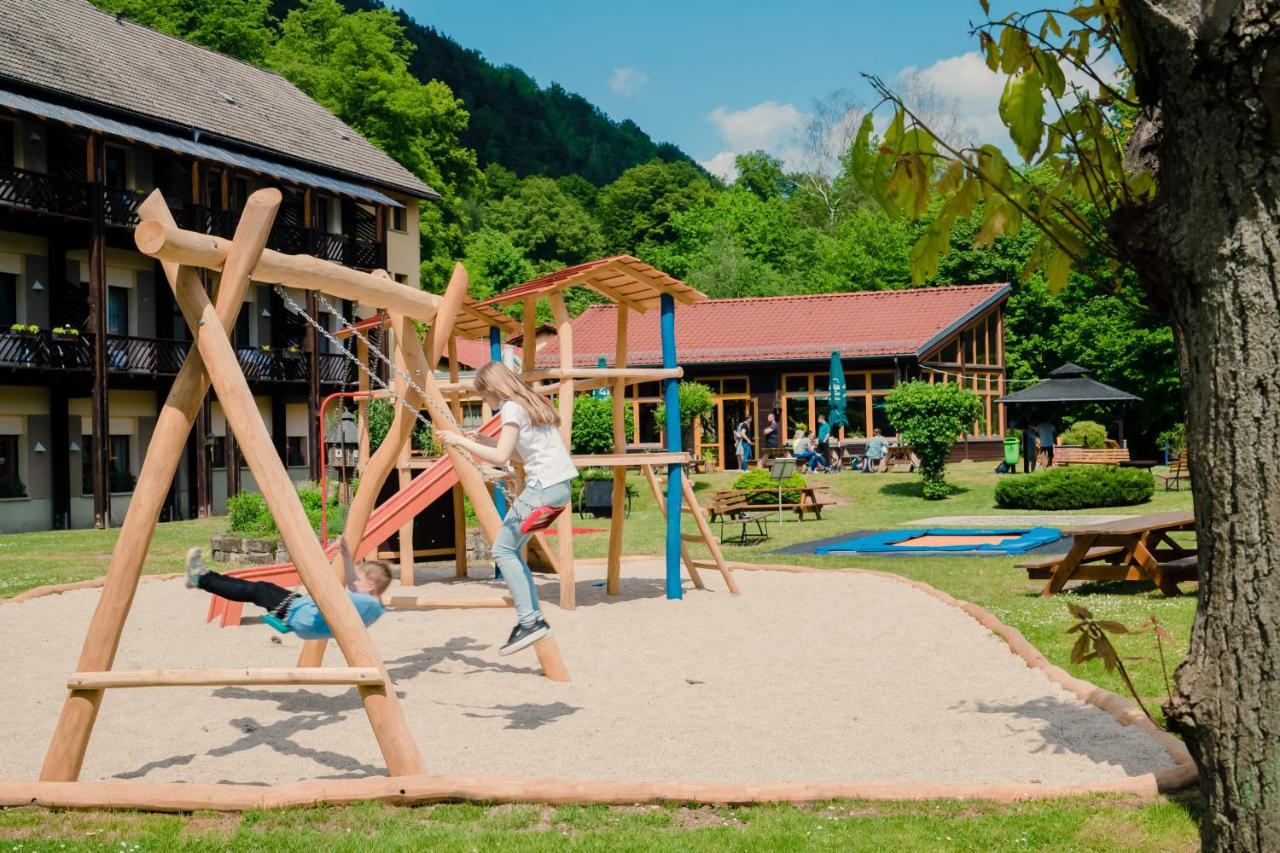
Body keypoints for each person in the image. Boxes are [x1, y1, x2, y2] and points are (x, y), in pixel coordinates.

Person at [439, 360, 577, 656]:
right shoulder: (530, 403)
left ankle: (529, 621)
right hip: (560, 489)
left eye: (484, 394)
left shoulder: (510, 407)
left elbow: (501, 457)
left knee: (502, 551)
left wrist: (459, 441)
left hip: (542, 489)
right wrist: (486, 440)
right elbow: (519, 454)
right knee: (511, 551)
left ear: (492, 388)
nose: (486, 402)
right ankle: (533, 617)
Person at [185, 537, 391, 639]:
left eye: (359, 578)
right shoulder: (374, 606)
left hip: (302, 615)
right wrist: (345, 555)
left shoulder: (362, 601)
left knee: (255, 591)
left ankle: (201, 578)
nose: (353, 581)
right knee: (261, 588)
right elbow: (351, 586)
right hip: (304, 613)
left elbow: (334, 592)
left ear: (371, 585)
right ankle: (203, 577)